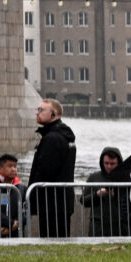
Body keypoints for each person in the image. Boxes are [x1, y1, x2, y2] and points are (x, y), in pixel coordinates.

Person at [27, 98, 77, 238]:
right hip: (60, 200)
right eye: (37, 109)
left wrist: (32, 191)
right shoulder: (64, 135)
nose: (37, 113)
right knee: (60, 239)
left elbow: (46, 170)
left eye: (41, 110)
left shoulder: (52, 138)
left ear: (53, 114)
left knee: (51, 238)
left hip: (51, 202)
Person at [82, 147, 131, 239]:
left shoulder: (126, 178)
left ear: (119, 163)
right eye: (106, 163)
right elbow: (84, 201)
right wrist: (97, 194)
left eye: (112, 164)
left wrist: (116, 196)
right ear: (102, 162)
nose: (109, 166)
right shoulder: (94, 177)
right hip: (98, 225)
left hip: (120, 226)